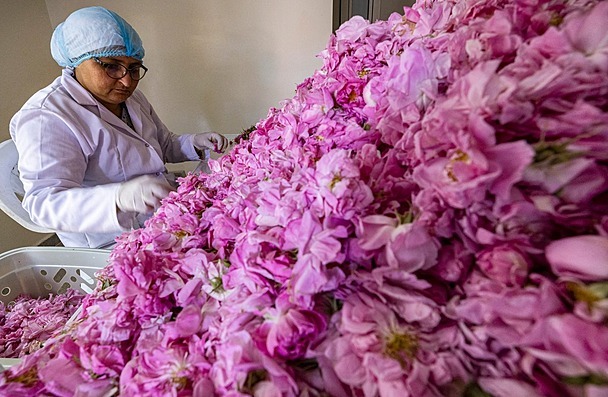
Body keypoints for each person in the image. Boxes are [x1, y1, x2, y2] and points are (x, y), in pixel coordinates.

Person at [10, 6, 228, 248]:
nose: (126, 80)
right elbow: (43, 204)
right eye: (111, 65)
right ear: (76, 62)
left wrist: (193, 144)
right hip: (111, 244)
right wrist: (119, 198)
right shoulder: (47, 117)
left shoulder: (130, 98)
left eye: (134, 68)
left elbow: (161, 145)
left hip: (164, 217)